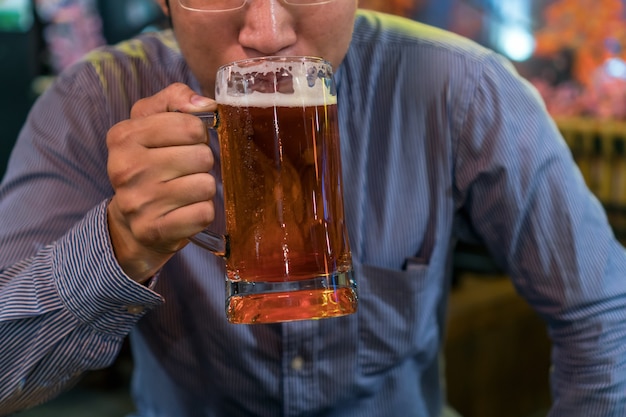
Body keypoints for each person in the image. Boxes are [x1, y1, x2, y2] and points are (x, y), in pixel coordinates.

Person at [1, 1, 625, 416]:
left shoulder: (462, 86)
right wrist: (120, 245)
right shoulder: (93, 99)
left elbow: (603, 312)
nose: (267, 34)